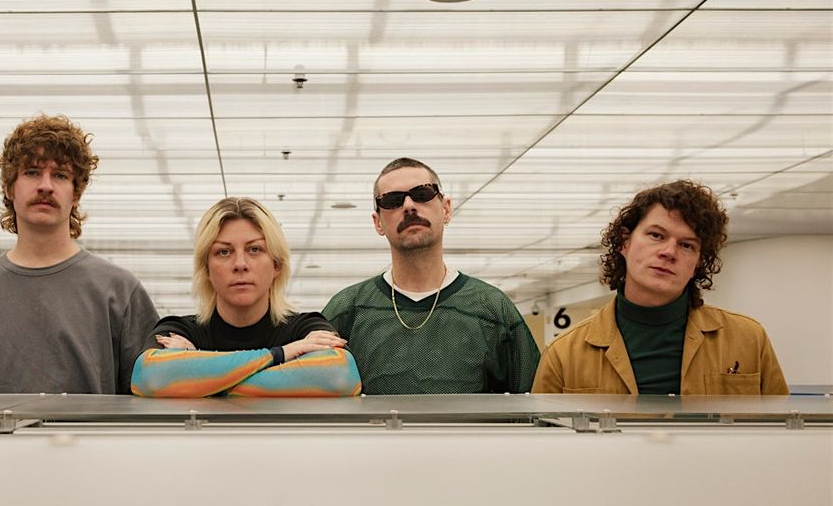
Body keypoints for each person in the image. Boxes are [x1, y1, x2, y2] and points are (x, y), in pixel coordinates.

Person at [0, 114, 158, 394]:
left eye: (60, 175)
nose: (45, 185)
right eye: (32, 172)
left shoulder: (120, 291)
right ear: (9, 188)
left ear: (76, 194)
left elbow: (148, 394)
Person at [533, 180, 787, 394]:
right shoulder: (563, 354)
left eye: (687, 245)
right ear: (624, 242)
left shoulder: (748, 339)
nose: (669, 252)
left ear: (698, 262)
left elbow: (783, 431)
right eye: (656, 235)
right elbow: (542, 437)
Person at [323, 158, 539, 394]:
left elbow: (532, 403)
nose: (408, 206)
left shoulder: (493, 308)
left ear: (446, 209)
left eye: (422, 194)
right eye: (392, 200)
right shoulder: (347, 310)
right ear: (378, 223)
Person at [132, 197, 360, 397]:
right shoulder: (178, 330)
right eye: (224, 252)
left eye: (254, 250)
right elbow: (150, 376)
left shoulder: (306, 327)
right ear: (206, 268)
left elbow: (340, 375)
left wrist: (200, 380)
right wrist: (282, 354)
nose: (240, 264)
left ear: (277, 264)